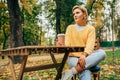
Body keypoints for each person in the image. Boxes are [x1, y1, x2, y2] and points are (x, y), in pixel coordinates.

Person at [61, 5, 106, 80]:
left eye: (77, 13)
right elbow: (67, 45)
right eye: (74, 14)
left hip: (86, 57)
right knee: (85, 69)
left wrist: (84, 55)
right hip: (73, 58)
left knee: (102, 53)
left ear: (84, 14)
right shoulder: (70, 28)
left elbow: (90, 45)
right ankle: (92, 65)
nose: (75, 15)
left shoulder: (90, 29)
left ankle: (71, 72)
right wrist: (62, 45)